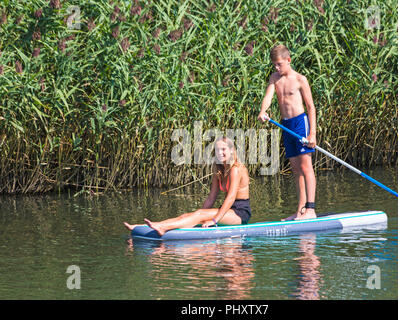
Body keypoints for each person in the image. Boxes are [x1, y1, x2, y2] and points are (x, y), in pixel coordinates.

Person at [123, 137, 251, 236]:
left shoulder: (236, 169)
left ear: (231, 150)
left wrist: (214, 220)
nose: (220, 153)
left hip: (240, 212)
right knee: (186, 216)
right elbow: (211, 198)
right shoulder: (218, 169)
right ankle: (147, 227)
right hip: (228, 210)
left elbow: (231, 198)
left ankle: (163, 228)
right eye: (217, 150)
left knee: (199, 215)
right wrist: (196, 217)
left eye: (223, 149)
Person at [258, 44, 317, 220]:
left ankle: (311, 209)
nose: (276, 68)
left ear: (288, 60)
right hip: (286, 125)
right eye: (274, 65)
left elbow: (311, 107)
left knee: (306, 166)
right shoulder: (274, 78)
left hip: (300, 123)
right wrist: (263, 111)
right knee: (295, 168)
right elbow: (268, 97)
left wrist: (312, 134)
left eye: (279, 64)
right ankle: (300, 210)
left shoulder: (300, 79)